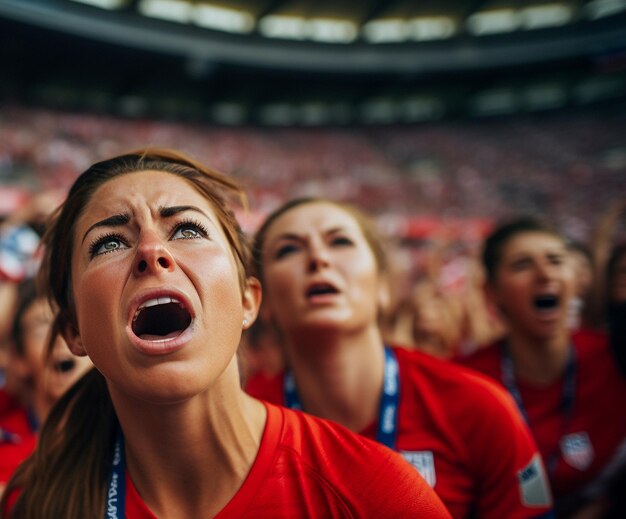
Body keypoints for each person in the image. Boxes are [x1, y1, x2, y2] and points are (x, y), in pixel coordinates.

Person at [0, 149, 450, 519]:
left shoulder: (376, 495)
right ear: (74, 331)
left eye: (187, 230)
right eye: (110, 243)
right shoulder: (35, 506)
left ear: (249, 300)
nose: (152, 251)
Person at [246, 197, 554, 519]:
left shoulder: (479, 406)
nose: (318, 258)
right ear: (260, 300)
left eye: (340, 241)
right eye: (288, 250)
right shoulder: (240, 424)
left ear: (383, 285)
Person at [456, 217, 626, 517]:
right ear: (491, 292)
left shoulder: (617, 357)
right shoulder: (465, 383)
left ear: (575, 280)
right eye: (522, 265)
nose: (545, 274)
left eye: (556, 260)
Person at [0, 278, 93, 495]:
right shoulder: (6, 446)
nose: (60, 338)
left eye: (72, 325)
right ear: (18, 358)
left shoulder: (130, 429)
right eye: (43, 328)